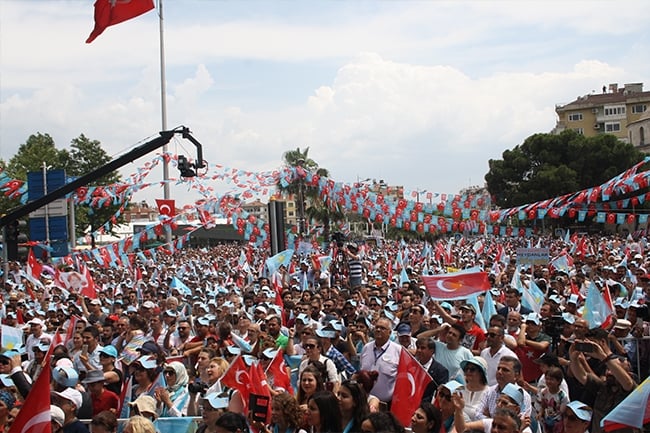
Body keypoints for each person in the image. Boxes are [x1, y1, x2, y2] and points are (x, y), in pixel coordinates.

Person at [568, 328, 636, 433]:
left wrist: (602, 356)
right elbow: (582, 376)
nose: (609, 372)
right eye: (608, 369)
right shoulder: (603, 387)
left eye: (613, 370)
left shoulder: (630, 392)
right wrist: (574, 358)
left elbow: (627, 383)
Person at [453, 383, 532, 433]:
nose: (494, 430)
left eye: (502, 428)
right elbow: (462, 429)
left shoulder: (525, 430)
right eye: (498, 401)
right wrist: (459, 409)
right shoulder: (491, 422)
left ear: (516, 409)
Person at [359, 317, 402, 407]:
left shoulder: (398, 350)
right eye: (377, 327)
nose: (378, 330)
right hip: (364, 402)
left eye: (382, 328)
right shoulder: (366, 348)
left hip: (385, 405)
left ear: (390, 332)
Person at [415, 336, 449, 404]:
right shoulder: (411, 365)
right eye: (418, 347)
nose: (419, 350)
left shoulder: (441, 371)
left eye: (423, 348)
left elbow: (438, 394)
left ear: (432, 351)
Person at [458, 356, 489, 421]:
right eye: (466, 369)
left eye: (472, 369)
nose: (468, 372)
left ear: (481, 373)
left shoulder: (489, 393)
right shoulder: (459, 390)